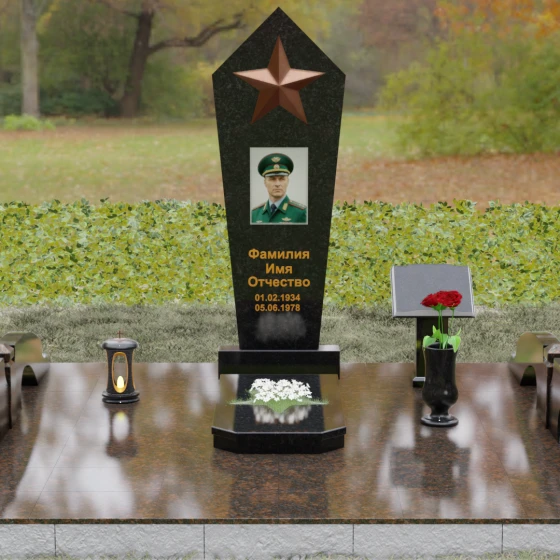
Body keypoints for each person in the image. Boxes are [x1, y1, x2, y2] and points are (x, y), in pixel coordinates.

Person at [251, 153, 307, 224]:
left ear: (288, 181)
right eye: (272, 179)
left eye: (282, 179)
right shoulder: (254, 214)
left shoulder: (301, 213)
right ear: (265, 182)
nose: (277, 184)